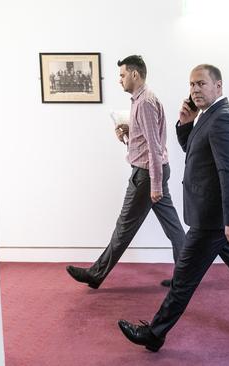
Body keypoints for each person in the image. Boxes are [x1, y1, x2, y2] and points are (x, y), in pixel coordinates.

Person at [117, 64, 229, 351]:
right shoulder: (209, 116)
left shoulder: (223, 120)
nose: (195, 90)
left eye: (201, 84)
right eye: (191, 85)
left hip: (215, 220)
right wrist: (185, 123)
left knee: (183, 278)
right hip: (218, 217)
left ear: (218, 86)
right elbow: (194, 152)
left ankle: (155, 334)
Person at [66, 55, 185, 289]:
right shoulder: (140, 101)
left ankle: (96, 274)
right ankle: (186, 277)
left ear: (134, 74)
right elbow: (147, 138)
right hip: (152, 171)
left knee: (124, 227)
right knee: (173, 227)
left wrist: (155, 185)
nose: (119, 80)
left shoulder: (145, 102)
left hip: (147, 174)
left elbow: (154, 146)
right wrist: (128, 132)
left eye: (122, 75)